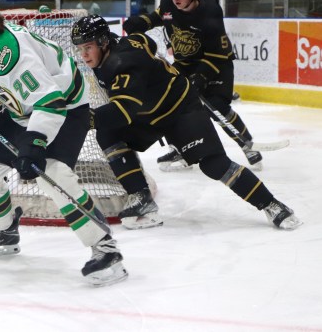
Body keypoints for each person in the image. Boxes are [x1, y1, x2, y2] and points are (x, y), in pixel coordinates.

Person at [0, 0, 128, 287]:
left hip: (66, 108)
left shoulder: (12, 56)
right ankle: (4, 231)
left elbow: (51, 102)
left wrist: (35, 142)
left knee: (53, 173)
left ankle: (105, 248)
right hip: (23, 109)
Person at [71, 14, 303, 231]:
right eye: (80, 49)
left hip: (180, 110)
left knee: (214, 165)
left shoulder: (121, 63)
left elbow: (123, 112)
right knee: (108, 133)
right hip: (149, 114)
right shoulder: (121, 47)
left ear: (103, 42)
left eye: (88, 47)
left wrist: (79, 120)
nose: (84, 55)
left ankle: (271, 204)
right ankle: (141, 198)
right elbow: (146, 41)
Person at [122, 0, 263, 172]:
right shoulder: (169, 3)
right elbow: (157, 17)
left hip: (216, 63)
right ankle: (180, 148)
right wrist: (140, 22)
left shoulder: (210, 11)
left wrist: (200, 77)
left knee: (216, 106)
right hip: (185, 63)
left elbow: (216, 54)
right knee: (169, 102)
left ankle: (246, 143)